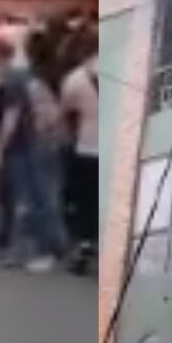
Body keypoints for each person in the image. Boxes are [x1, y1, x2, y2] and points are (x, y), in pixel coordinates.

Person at [0, 37, 68, 273]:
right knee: (26, 198)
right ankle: (13, 248)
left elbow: (10, 118)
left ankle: (46, 250)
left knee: (32, 199)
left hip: (24, 147)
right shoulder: (23, 76)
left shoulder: (12, 80)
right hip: (32, 145)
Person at [59, 30, 101, 274]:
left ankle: (85, 245)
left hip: (87, 147)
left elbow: (65, 116)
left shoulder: (74, 80)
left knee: (85, 200)